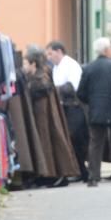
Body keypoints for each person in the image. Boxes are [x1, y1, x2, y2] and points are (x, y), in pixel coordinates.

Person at [24, 45, 82, 185]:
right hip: (47, 118)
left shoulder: (40, 78)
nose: (23, 66)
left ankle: (50, 175)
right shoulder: (45, 73)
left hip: (45, 119)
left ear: (33, 63)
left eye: (25, 62)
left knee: (47, 143)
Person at [77, 38, 111, 186]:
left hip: (96, 109)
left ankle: (93, 177)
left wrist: (91, 102)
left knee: (95, 143)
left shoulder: (89, 68)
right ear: (107, 50)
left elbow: (81, 92)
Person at [47, 40, 87, 180]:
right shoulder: (56, 67)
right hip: (64, 106)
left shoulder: (70, 65)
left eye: (51, 53)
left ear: (59, 51)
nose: (49, 57)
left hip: (74, 106)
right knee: (71, 139)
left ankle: (81, 170)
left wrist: (55, 90)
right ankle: (78, 170)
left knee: (74, 137)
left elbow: (73, 86)